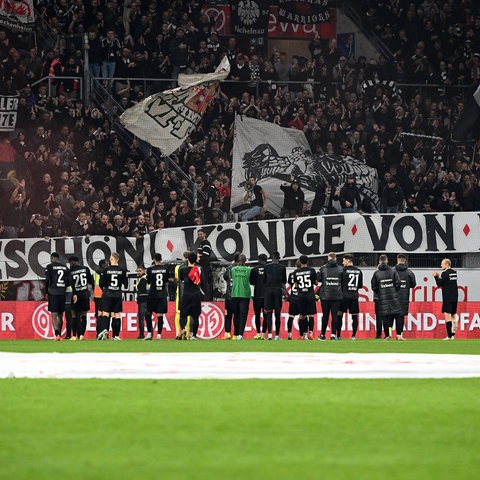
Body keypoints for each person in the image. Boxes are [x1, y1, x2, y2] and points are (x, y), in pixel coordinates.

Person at [371, 254, 401, 340]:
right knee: (397, 315)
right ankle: (398, 335)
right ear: (387, 261)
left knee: (385, 317)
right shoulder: (393, 271)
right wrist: (394, 291)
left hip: (382, 298)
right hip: (394, 297)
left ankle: (387, 335)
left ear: (379, 261)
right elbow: (398, 283)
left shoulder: (376, 273)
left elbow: (374, 287)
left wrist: (380, 292)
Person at [99, 252, 128, 340]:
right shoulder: (122, 270)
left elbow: (101, 283)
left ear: (111, 259)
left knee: (106, 313)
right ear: (118, 259)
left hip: (107, 294)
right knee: (117, 315)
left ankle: (105, 331)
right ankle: (116, 335)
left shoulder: (105, 270)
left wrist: (105, 288)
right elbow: (126, 284)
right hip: (117, 295)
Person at [317, 252, 344, 340]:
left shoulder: (322, 268)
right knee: (335, 316)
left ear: (328, 258)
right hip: (337, 296)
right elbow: (343, 282)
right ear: (335, 258)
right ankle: (333, 335)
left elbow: (319, 279)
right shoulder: (341, 269)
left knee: (325, 316)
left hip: (325, 296)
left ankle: (322, 335)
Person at [178, 251, 204, 340]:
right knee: (195, 316)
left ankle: (184, 329)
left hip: (186, 294)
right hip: (196, 294)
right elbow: (203, 281)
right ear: (196, 259)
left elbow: (181, 278)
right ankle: (193, 335)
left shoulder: (182, 269)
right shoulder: (199, 269)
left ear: (187, 259)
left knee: (182, 315)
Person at [338, 253, 364, 340]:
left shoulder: (342, 270)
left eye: (344, 260)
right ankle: (353, 336)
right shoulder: (358, 271)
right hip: (354, 296)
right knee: (354, 316)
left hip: (344, 296)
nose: (343, 262)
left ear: (348, 260)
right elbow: (360, 285)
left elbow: (339, 283)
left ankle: (338, 335)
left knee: (339, 314)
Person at [145, 253, 171, 340]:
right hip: (162, 294)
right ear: (161, 259)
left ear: (153, 259)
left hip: (152, 294)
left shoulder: (149, 269)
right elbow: (167, 281)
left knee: (148, 313)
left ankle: (149, 333)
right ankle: (159, 335)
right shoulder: (166, 269)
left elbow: (148, 282)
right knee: (160, 315)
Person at [45, 252, 69, 341]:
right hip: (62, 292)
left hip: (53, 292)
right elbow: (69, 280)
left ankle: (57, 334)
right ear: (58, 258)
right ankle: (60, 335)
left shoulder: (49, 267)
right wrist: (64, 286)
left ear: (52, 258)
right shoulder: (64, 267)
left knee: (54, 314)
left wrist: (46, 291)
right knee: (61, 314)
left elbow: (47, 280)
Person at [68, 256, 94, 341]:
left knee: (74, 315)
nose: (70, 265)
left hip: (76, 295)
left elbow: (71, 283)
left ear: (72, 262)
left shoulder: (71, 271)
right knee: (84, 315)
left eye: (70, 263)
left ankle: (74, 336)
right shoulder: (86, 268)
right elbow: (91, 281)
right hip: (85, 294)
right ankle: (82, 335)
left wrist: (75, 293)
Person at [432, 258, 458, 340]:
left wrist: (436, 276)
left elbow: (439, 284)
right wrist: (440, 276)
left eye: (442, 263)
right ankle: (453, 333)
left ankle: (449, 336)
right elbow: (446, 281)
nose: (441, 265)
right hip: (455, 297)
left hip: (447, 297)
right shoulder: (454, 273)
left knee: (447, 316)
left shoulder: (444, 273)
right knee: (453, 314)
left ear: (447, 264)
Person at [293, 256, 317, 340]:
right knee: (311, 315)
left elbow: (296, 285)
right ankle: (310, 332)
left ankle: (302, 334)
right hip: (310, 296)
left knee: (302, 316)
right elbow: (316, 283)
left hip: (301, 296)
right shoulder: (312, 270)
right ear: (307, 261)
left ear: (300, 262)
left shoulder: (296, 272)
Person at [263, 251, 287, 340]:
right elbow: (284, 281)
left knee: (268, 313)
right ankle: (277, 335)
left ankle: (269, 334)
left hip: (268, 291)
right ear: (279, 258)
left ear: (271, 258)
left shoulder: (266, 267)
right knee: (277, 314)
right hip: (277, 291)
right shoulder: (282, 267)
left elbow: (264, 280)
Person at [394, 253, 416, 340]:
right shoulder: (409, 272)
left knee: (390, 317)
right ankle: (399, 335)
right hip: (404, 297)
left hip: (393, 296)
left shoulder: (392, 271)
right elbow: (413, 284)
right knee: (401, 316)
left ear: (397, 260)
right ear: (405, 261)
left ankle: (389, 334)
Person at [230, 253, 252, 340]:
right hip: (245, 295)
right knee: (243, 315)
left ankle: (235, 333)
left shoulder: (233, 269)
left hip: (235, 294)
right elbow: (251, 280)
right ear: (245, 261)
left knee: (236, 315)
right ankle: (240, 335)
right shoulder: (248, 270)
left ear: (238, 261)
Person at [250, 253, 268, 339]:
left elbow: (252, 282)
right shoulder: (269, 269)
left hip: (257, 295)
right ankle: (264, 333)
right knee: (266, 315)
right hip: (266, 296)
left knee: (257, 315)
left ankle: (258, 333)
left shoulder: (254, 269)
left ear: (259, 260)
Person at [223, 252, 240, 339]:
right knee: (236, 316)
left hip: (229, 295)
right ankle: (236, 334)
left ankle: (227, 333)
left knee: (228, 315)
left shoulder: (229, 268)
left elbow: (225, 277)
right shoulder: (241, 268)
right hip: (237, 295)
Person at [174, 252, 190, 340]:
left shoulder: (178, 267)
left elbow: (177, 279)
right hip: (190, 292)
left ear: (183, 257)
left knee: (178, 312)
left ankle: (178, 331)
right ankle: (187, 333)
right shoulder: (193, 267)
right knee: (188, 314)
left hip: (180, 292)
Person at [196, 229, 213, 300]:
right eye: (198, 234)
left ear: (204, 234)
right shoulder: (201, 243)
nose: (200, 236)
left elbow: (205, 256)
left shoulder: (206, 243)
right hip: (202, 267)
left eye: (201, 234)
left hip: (204, 267)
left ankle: (205, 298)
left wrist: (198, 259)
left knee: (204, 283)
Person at [93, 259, 107, 339]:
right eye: (106, 264)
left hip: (96, 296)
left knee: (98, 315)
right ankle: (103, 332)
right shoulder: (104, 272)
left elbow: (92, 284)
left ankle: (98, 333)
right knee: (104, 315)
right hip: (102, 295)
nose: (107, 265)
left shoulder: (95, 272)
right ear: (102, 265)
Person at [135, 264, 148, 339]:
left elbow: (142, 289)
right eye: (137, 271)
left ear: (144, 271)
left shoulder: (143, 278)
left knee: (141, 318)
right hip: (147, 300)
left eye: (140, 271)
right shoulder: (144, 278)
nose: (138, 272)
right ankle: (150, 333)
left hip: (143, 300)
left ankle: (142, 335)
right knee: (147, 318)